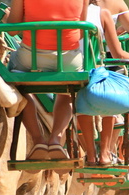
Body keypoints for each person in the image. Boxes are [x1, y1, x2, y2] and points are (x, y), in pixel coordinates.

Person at [6, 0, 89, 161]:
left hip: (32, 58)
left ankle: (38, 140)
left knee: (14, 84)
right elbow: (80, 31)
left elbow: (13, 30)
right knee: (66, 92)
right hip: (68, 59)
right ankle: (56, 139)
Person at [76, 0, 129, 166]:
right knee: (108, 99)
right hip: (95, 69)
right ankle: (105, 154)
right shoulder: (103, 13)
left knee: (81, 101)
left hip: (71, 66)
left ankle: (89, 154)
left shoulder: (68, 9)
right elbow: (118, 52)